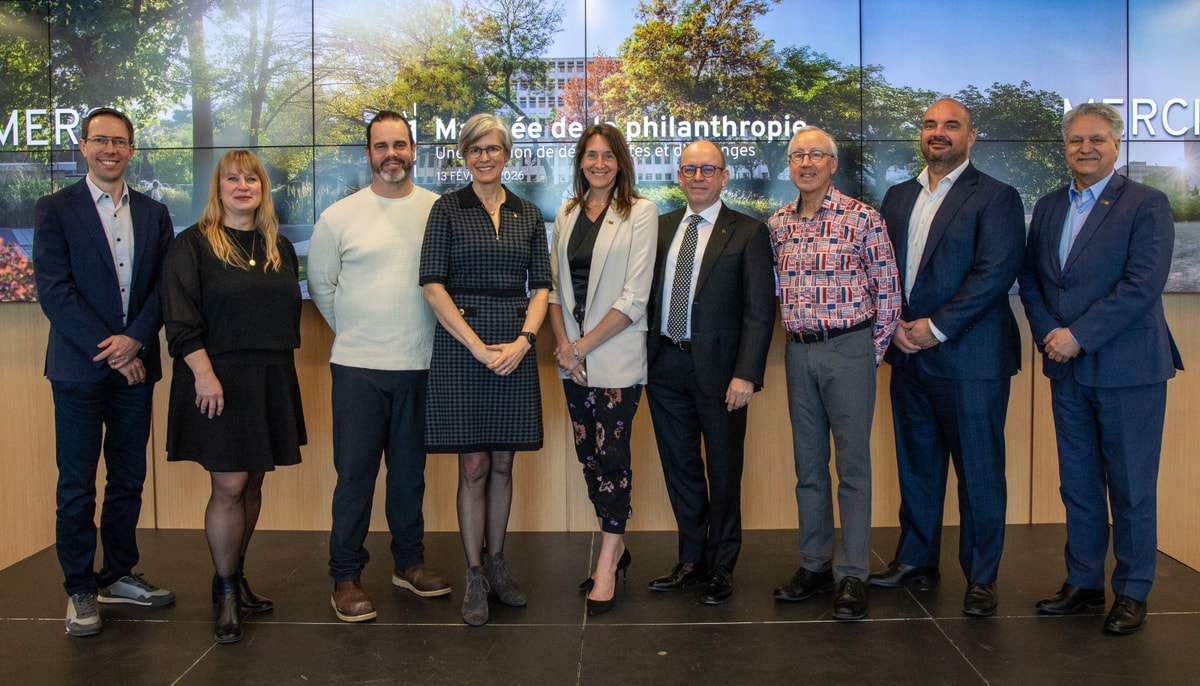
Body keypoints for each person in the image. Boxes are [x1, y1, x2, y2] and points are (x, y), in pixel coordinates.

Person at [1018, 102, 1182, 635]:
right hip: (1064, 369)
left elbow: (1141, 285)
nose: (1085, 149)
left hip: (1128, 369)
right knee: (1079, 484)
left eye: (1097, 140)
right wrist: (1050, 334)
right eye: (1075, 141)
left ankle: (1133, 590)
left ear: (1117, 147)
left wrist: (1078, 337)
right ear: (1064, 148)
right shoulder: (1046, 207)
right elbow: (1035, 280)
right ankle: (1084, 581)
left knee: (1132, 486)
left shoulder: (1146, 203)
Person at [871, 99, 1026, 617]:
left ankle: (982, 577)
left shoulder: (997, 196)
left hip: (970, 359)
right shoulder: (897, 197)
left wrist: (934, 329)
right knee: (917, 466)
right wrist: (892, 324)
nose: (939, 134)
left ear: (971, 136)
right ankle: (916, 559)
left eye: (951, 126)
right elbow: (881, 271)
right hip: (907, 355)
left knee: (979, 471)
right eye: (931, 125)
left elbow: (994, 273)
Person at [33, 107, 176, 638]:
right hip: (78, 369)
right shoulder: (55, 209)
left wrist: (135, 339)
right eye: (100, 141)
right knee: (76, 484)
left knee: (128, 479)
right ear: (84, 146)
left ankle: (117, 573)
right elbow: (54, 290)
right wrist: (113, 349)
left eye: (119, 141)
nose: (109, 150)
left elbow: (164, 287)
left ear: (132, 150)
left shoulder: (154, 213)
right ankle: (79, 588)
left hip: (136, 369)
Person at [308, 111, 451, 623]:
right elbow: (323, 288)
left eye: (400, 145)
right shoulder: (339, 217)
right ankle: (345, 576)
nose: (391, 154)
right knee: (355, 478)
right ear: (368, 154)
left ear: (414, 150)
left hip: (422, 365)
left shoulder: (439, 211)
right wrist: (355, 331)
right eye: (380, 146)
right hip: (358, 369)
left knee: (410, 477)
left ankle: (408, 563)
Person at [162, 149, 306, 643]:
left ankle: (238, 576)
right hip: (215, 380)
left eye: (251, 179)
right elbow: (179, 321)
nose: (242, 186)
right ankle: (223, 592)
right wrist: (203, 375)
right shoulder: (192, 245)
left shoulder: (277, 245)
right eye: (232, 179)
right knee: (228, 486)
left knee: (253, 483)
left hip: (268, 376)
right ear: (217, 188)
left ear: (263, 188)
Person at [419, 113, 551, 626]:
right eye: (475, 150)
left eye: (493, 148)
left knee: (503, 463)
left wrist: (524, 341)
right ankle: (473, 573)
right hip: (462, 347)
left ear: (507, 153)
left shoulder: (526, 211)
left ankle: (499, 567)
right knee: (472, 465)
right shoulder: (446, 210)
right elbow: (433, 285)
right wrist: (476, 346)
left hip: (514, 347)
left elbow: (541, 287)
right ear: (464, 156)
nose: (485, 157)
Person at [768, 126, 900, 621]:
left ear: (832, 164)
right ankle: (815, 564)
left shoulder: (861, 218)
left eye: (815, 155)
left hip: (849, 349)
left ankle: (851, 575)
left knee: (853, 469)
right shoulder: (777, 223)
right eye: (797, 155)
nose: (806, 162)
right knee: (808, 467)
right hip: (798, 353)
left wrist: (870, 355)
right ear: (789, 165)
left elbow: (888, 294)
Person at [644, 140, 774, 605]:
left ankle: (722, 566)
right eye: (689, 169)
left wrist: (747, 374)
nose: (698, 176)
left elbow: (759, 312)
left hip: (722, 373)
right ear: (679, 176)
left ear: (724, 177)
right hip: (663, 365)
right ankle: (691, 559)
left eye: (708, 169)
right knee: (680, 469)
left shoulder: (749, 232)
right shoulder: (657, 229)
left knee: (723, 470)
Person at [547, 123, 657, 616]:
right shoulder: (567, 212)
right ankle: (618, 538)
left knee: (611, 458)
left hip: (613, 360)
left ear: (621, 161)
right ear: (580, 161)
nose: (598, 163)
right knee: (587, 455)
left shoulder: (641, 212)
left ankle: (608, 561)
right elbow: (553, 290)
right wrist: (565, 349)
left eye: (608, 155)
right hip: (573, 359)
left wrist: (583, 349)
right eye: (590, 155)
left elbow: (634, 299)